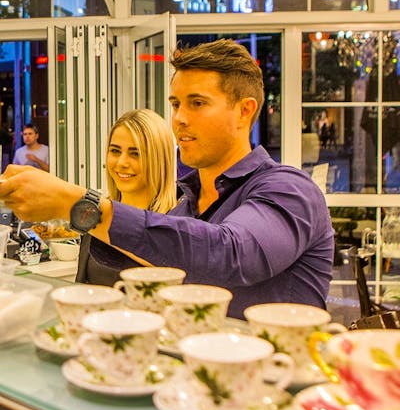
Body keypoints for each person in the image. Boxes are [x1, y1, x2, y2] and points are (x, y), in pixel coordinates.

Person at [0, 39, 334, 319]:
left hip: (278, 390)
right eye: (175, 104)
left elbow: (230, 255)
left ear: (244, 111)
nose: (179, 119)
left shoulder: (289, 189)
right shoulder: (183, 208)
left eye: (197, 103)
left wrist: (76, 203)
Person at [76, 108, 177, 285]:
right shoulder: (98, 216)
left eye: (135, 153)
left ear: (159, 159)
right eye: (115, 151)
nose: (122, 163)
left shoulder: (175, 226)